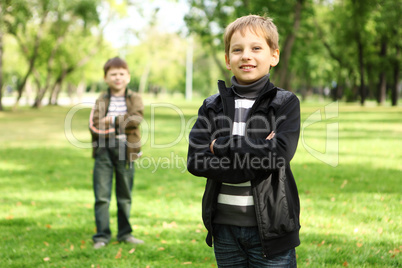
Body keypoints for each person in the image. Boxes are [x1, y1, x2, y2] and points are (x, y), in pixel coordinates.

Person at [187, 15, 301, 267]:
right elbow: (196, 161)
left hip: (273, 227)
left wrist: (222, 145)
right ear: (228, 60)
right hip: (224, 228)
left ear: (274, 56)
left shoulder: (284, 103)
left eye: (256, 48)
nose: (246, 55)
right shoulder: (212, 106)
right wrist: (257, 154)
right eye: (237, 50)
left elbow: (279, 153)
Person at [89, 57, 144, 249]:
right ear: (106, 78)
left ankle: (125, 233)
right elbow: (95, 123)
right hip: (103, 149)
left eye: (121, 73)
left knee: (124, 194)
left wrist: (110, 120)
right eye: (113, 74)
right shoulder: (101, 99)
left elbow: (135, 119)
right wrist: (121, 121)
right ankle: (101, 236)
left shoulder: (134, 98)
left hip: (126, 150)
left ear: (128, 77)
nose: (117, 77)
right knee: (102, 195)